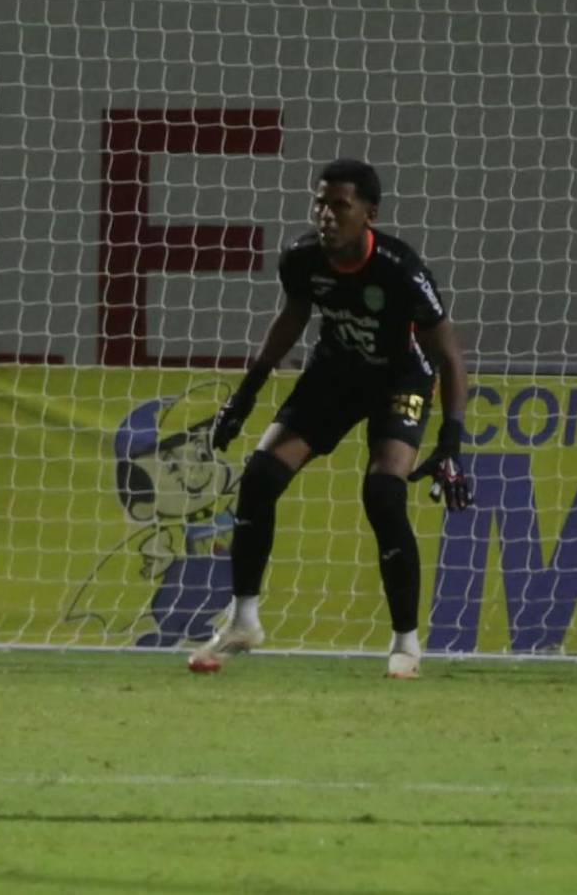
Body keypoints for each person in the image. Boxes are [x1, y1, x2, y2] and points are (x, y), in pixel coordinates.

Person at [188, 158, 470, 679]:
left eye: (340, 205)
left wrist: (451, 441)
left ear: (368, 213)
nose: (326, 215)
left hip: (400, 380)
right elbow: (292, 319)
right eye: (320, 202)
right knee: (258, 477)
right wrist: (244, 397)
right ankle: (244, 621)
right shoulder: (301, 258)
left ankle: (406, 642)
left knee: (383, 494)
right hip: (335, 374)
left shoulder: (400, 269)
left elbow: (449, 355)